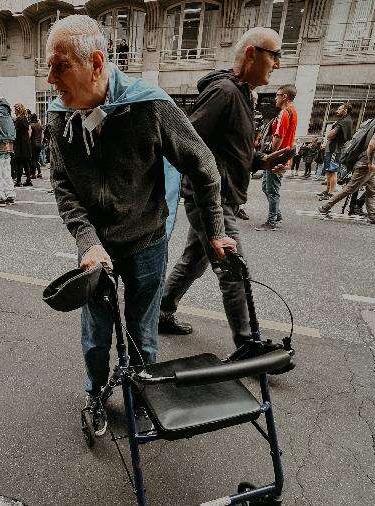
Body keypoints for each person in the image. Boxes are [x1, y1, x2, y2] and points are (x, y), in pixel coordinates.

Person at [45, 15, 237, 434]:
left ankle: (142, 394)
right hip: (98, 250)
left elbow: (204, 165)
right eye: (49, 66)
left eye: (60, 66)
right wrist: (87, 242)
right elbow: (63, 186)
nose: (50, 77)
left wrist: (217, 231)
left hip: (148, 240)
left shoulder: (148, 104)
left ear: (96, 62)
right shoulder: (59, 118)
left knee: (142, 331)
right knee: (96, 332)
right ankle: (96, 394)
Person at [158, 27, 291, 339]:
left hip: (222, 195)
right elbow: (188, 140)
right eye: (274, 55)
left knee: (194, 260)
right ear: (250, 53)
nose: (278, 63)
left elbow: (230, 148)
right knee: (234, 269)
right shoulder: (225, 92)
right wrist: (202, 189)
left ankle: (162, 311)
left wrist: (262, 160)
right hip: (211, 199)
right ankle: (247, 341)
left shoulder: (244, 94)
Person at [318, 98, 375, 226]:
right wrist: (370, 163)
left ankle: (373, 216)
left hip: (370, 161)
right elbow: (373, 143)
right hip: (368, 161)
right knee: (351, 188)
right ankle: (325, 207)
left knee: (372, 190)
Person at [256, 84, 297, 231]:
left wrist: (269, 154)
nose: (275, 99)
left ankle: (272, 221)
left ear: (284, 96)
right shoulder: (293, 112)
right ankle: (276, 214)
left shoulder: (284, 113)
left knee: (272, 189)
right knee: (266, 187)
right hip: (283, 154)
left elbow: (278, 137)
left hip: (277, 155)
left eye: (277, 95)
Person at [319, 103, 353, 199]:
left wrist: (328, 134)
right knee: (329, 171)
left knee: (332, 171)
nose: (337, 111)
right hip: (332, 148)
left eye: (339, 109)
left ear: (345, 110)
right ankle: (327, 190)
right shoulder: (343, 120)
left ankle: (330, 193)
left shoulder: (345, 121)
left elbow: (330, 135)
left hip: (336, 149)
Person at [12, 103, 33, 186]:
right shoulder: (25, 119)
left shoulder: (19, 119)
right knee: (26, 163)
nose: (14, 111)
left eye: (15, 109)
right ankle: (28, 180)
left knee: (19, 163)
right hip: (26, 143)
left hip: (20, 144)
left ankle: (18, 181)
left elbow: (15, 132)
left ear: (17, 110)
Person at [30, 113, 44, 178]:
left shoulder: (31, 125)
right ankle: (39, 172)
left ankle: (33, 174)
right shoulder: (40, 125)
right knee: (37, 159)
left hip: (33, 144)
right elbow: (42, 135)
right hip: (39, 144)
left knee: (33, 159)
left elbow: (29, 135)